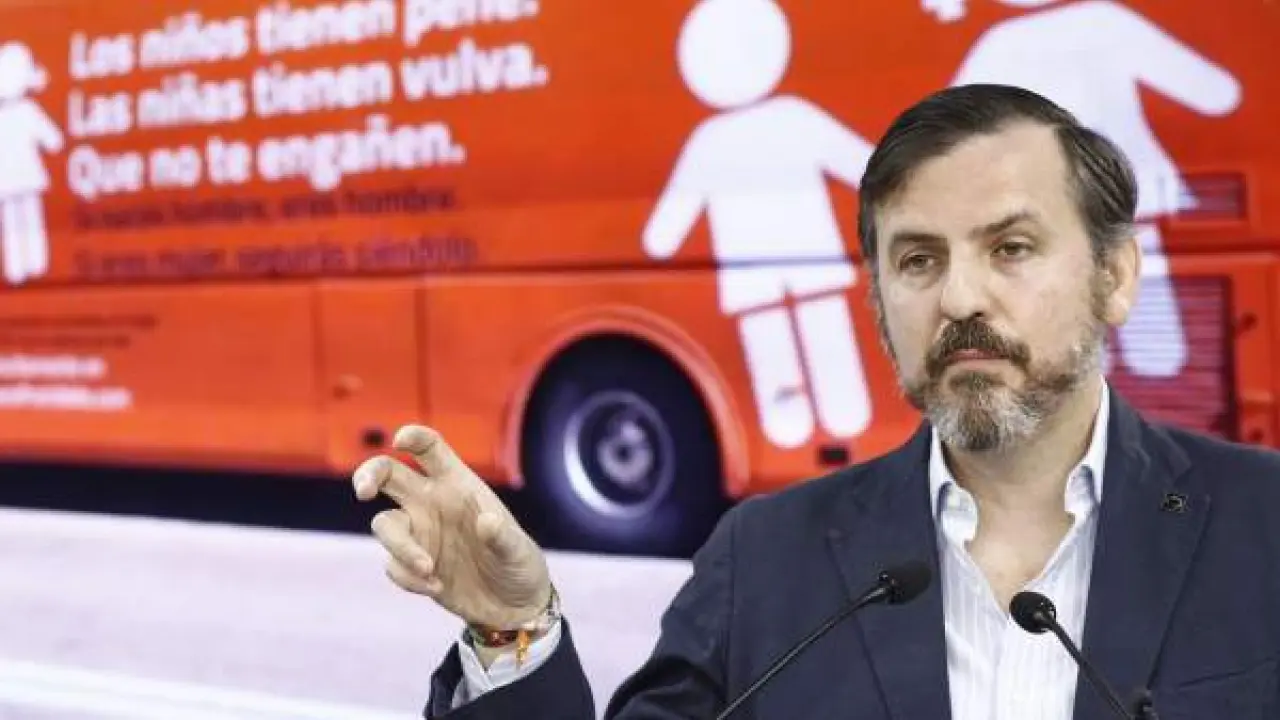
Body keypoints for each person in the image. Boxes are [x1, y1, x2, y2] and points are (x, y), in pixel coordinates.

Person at [352, 84, 1280, 719]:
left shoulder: (1263, 523)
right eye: (917, 260)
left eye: (1011, 248)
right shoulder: (762, 558)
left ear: (1116, 276)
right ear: (878, 303)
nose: (959, 298)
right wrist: (512, 630)